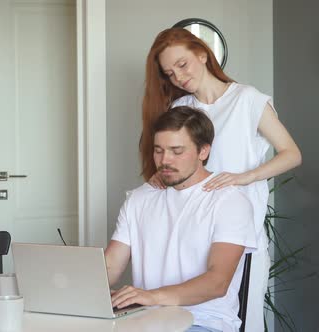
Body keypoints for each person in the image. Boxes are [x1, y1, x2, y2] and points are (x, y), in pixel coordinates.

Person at [140, 28, 302, 331]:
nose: (178, 76)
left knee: (242, 322)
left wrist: (244, 177)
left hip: (239, 237)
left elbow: (291, 153)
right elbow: (174, 166)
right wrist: (159, 176)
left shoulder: (247, 100)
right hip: (190, 238)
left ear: (202, 54)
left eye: (183, 64)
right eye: (170, 73)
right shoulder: (180, 108)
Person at [106, 106, 257, 332]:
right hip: (144, 321)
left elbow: (218, 282)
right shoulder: (139, 199)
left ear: (203, 152)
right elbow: (110, 267)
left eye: (177, 151)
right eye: (158, 150)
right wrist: (85, 291)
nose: (165, 160)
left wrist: (151, 296)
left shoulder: (229, 202)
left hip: (204, 322)